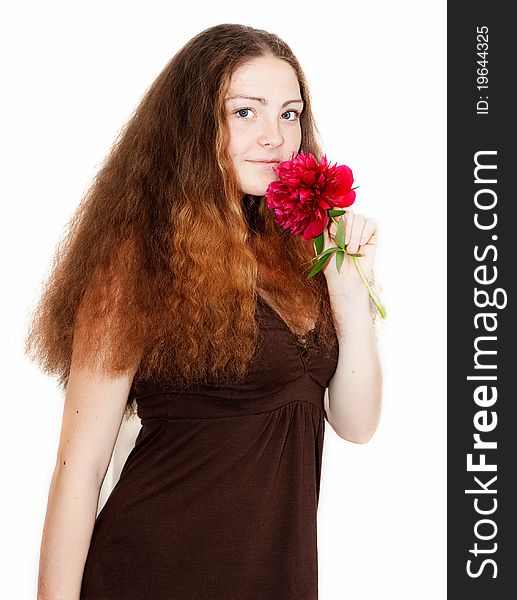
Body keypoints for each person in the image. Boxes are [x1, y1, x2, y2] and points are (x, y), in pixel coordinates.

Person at [26, 23, 383, 600]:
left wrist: (346, 286)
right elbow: (78, 468)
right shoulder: (138, 261)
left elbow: (356, 424)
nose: (275, 137)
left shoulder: (304, 254)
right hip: (149, 574)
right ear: (196, 126)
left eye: (290, 114)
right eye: (245, 112)